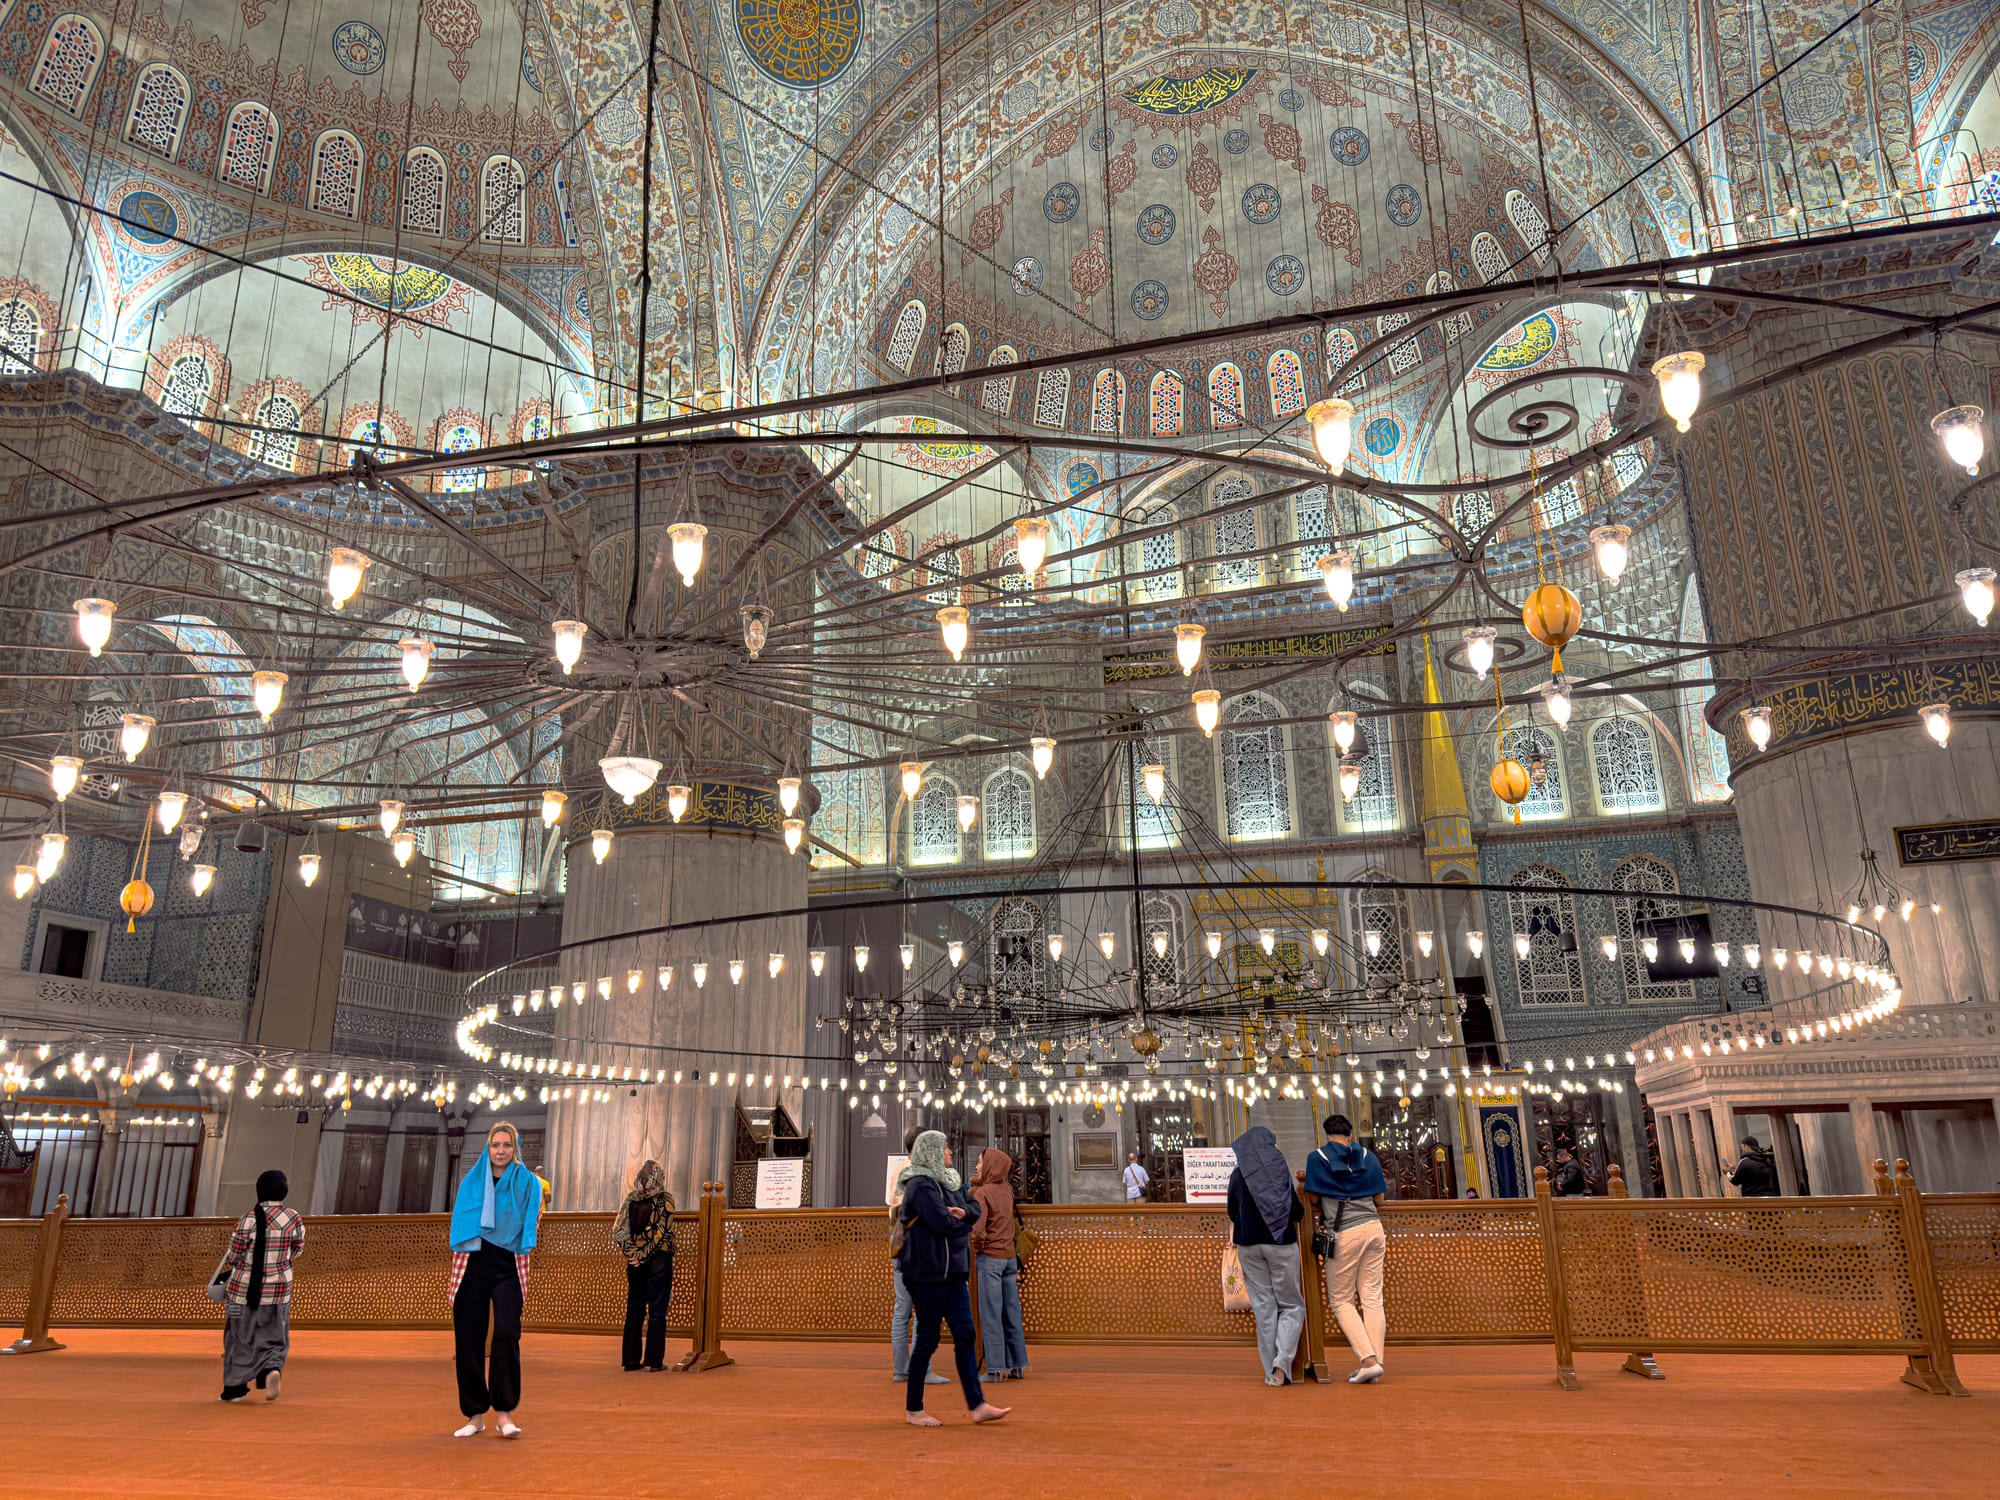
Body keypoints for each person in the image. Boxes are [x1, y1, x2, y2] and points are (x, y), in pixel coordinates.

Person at [896, 1130, 1010, 1427]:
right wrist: (961, 1222)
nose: (950, 1152)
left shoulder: (950, 1179)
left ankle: (978, 1405)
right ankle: (914, 1408)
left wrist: (963, 1215)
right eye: (944, 1147)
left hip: (953, 1272)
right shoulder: (920, 1184)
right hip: (926, 1273)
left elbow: (973, 1208)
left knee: (965, 1335)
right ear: (931, 1151)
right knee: (928, 1339)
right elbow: (942, 1224)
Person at [448, 1121, 542, 1438]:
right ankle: (475, 1415)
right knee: (468, 1338)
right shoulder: (472, 1182)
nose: (500, 1151)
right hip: (473, 1262)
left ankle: (504, 1413)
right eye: (495, 1145)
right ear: (488, 1148)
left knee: (506, 1332)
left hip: (510, 1263)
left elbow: (532, 1221)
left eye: (506, 1145)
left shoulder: (529, 1183)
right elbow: (461, 1222)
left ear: (516, 1149)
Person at [1304, 1114, 1388, 1385]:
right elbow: (1379, 1198)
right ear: (1350, 1134)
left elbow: (1314, 1196)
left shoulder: (1318, 1158)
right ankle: (1376, 1364)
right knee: (1372, 1298)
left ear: (1326, 1134)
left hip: (1345, 1234)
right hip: (1374, 1230)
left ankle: (1369, 1361)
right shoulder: (1368, 1156)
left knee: (1341, 1301)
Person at [1224, 1126, 1306, 1386]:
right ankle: (1283, 1363)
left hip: (1249, 1245)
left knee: (1264, 1308)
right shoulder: (1279, 1170)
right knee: (1291, 1305)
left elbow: (1232, 1211)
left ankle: (1271, 1372)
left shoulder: (1238, 1175)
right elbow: (1296, 1211)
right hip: (1281, 1244)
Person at [217, 1168, 304, 1403]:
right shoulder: (293, 1217)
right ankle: (270, 1370)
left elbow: (234, 1255)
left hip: (243, 1291)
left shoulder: (247, 1219)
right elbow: (297, 1249)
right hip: (278, 1290)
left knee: (238, 1337)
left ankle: (234, 1389)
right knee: (274, 1334)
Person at [889, 1126, 947, 1387]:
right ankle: (922, 1369)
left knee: (902, 1309)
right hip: (917, 1247)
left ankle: (902, 1368)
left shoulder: (898, 1170)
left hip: (899, 1245)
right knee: (921, 1309)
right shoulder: (917, 1172)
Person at [969, 1146, 1028, 1381]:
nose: (977, 1166)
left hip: (991, 1258)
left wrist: (977, 1249)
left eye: (980, 1162)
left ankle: (995, 1369)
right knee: (1011, 1312)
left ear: (991, 1166)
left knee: (991, 1314)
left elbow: (978, 1230)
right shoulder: (1007, 1190)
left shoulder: (982, 1193)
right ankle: (1018, 1365)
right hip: (1009, 1258)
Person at [612, 1159, 675, 1371]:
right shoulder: (664, 1199)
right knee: (657, 1312)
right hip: (658, 1261)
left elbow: (618, 1231)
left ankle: (630, 1360)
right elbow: (661, 1233)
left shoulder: (631, 1199)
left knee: (635, 1310)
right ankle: (654, 1361)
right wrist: (643, 1256)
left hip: (634, 1264)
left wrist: (632, 1255)